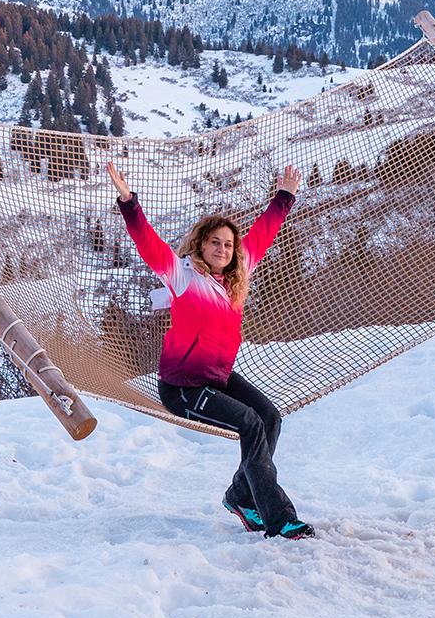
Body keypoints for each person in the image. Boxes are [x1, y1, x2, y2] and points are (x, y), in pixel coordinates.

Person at [105, 160, 314, 541]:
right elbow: (147, 241)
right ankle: (279, 517)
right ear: (201, 244)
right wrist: (129, 202)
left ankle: (240, 496)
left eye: (228, 244)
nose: (222, 249)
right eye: (214, 242)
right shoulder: (182, 274)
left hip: (216, 378)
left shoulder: (237, 277)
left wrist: (284, 197)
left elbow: (264, 233)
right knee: (250, 424)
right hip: (183, 387)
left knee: (268, 418)